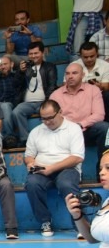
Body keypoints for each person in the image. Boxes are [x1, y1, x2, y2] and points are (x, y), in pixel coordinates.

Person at [54, 151, 109, 248]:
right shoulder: (107, 200)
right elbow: (92, 239)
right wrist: (77, 215)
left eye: (108, 168)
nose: (101, 173)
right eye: (100, 168)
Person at [25, 100, 85, 236]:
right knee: (32, 183)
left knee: (66, 184)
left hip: (68, 168)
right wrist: (30, 163)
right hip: (42, 169)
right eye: (43, 118)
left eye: (50, 117)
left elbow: (77, 157)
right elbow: (28, 155)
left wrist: (51, 168)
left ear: (60, 112)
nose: (46, 122)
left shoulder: (73, 128)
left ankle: (80, 225)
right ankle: (45, 221)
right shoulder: (36, 131)